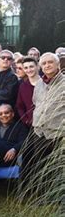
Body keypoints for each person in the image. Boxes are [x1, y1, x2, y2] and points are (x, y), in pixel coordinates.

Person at [21, 53, 65, 187]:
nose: (47, 65)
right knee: (40, 163)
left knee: (57, 165)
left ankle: (56, 195)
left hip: (58, 132)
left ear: (58, 65)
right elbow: (36, 102)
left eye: (50, 62)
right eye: (44, 63)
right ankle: (42, 191)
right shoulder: (40, 83)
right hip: (39, 131)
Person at [16, 56, 40, 128]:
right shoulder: (23, 86)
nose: (29, 70)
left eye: (31, 67)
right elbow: (20, 106)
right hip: (30, 125)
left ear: (37, 67)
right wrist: (26, 120)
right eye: (26, 68)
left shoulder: (46, 83)